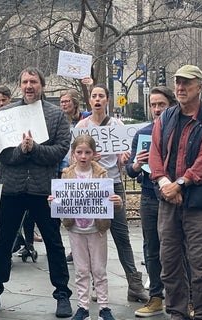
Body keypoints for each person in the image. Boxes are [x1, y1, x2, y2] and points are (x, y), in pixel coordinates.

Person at [0, 67, 74, 318]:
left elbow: (60, 150)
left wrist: (35, 150)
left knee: (53, 242)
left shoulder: (56, 115)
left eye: (33, 81)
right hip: (13, 188)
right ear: (19, 85)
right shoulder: (6, 113)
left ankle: (62, 294)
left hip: (43, 189)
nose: (29, 85)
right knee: (3, 241)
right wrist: (22, 150)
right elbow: (1, 153)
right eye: (24, 81)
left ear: (42, 85)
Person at [149, 64, 202, 319]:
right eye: (178, 83)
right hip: (168, 200)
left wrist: (180, 184)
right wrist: (165, 185)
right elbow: (155, 155)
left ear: (200, 88)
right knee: (169, 262)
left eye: (186, 83)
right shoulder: (165, 118)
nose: (180, 88)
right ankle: (177, 312)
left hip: (199, 203)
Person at [75, 84, 149, 303]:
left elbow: (125, 156)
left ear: (107, 100)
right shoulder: (82, 126)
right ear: (90, 101)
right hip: (89, 186)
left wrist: (124, 156)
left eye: (101, 96)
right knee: (92, 236)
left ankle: (134, 284)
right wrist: (87, 158)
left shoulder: (117, 125)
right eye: (94, 96)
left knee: (121, 235)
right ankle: (96, 286)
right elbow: (73, 158)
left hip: (112, 184)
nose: (97, 99)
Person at [125, 86, 176, 317]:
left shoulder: (179, 130)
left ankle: (182, 298)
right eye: (153, 105)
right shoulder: (143, 133)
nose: (156, 109)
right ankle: (156, 297)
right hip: (149, 196)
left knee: (177, 248)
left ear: (170, 105)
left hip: (173, 195)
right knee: (151, 248)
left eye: (161, 104)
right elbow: (131, 171)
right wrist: (136, 164)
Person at [59, 134, 121, 320]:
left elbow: (110, 199)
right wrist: (54, 201)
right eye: (79, 152)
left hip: (97, 228)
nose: (83, 156)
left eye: (87, 152)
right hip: (75, 228)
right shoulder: (67, 173)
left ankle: (104, 306)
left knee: (99, 269)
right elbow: (62, 199)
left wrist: (116, 202)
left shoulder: (101, 173)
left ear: (94, 154)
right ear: (73, 154)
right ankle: (82, 306)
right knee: (81, 269)